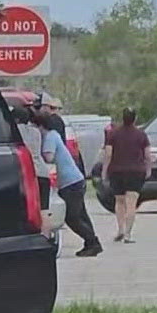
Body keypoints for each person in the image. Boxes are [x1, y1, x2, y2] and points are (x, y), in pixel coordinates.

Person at [32, 108, 103, 257]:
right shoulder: (55, 135)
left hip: (70, 182)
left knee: (72, 217)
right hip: (74, 180)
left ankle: (91, 240)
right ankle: (92, 243)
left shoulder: (50, 137)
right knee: (81, 214)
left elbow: (49, 157)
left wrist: (36, 154)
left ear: (41, 126)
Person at [99, 106, 150, 243]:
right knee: (131, 202)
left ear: (123, 117)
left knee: (119, 201)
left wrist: (104, 171)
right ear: (135, 119)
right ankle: (128, 234)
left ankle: (120, 229)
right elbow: (147, 155)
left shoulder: (113, 134)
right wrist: (148, 169)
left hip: (117, 171)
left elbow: (108, 154)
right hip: (136, 171)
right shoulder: (141, 135)